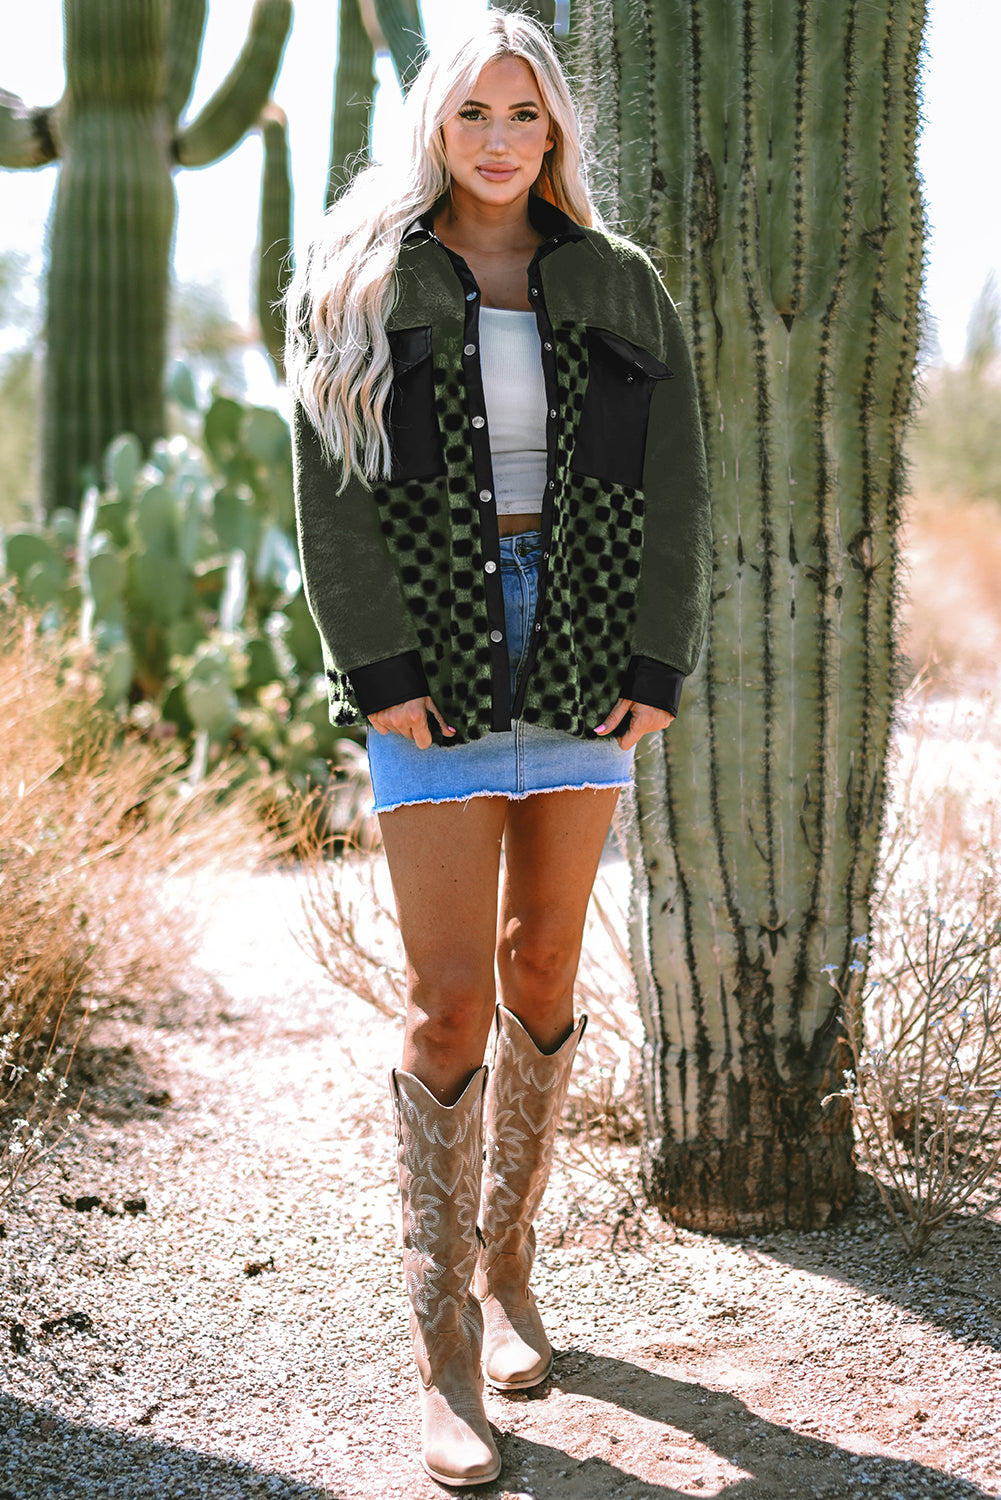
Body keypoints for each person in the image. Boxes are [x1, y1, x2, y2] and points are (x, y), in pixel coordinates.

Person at [285, 12, 710, 1487]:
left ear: (555, 133)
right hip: (437, 653)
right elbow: (328, 489)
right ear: (434, 126)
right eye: (473, 112)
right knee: (449, 998)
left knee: (543, 969)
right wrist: (379, 667)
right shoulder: (363, 279)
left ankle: (508, 1262)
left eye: (524, 114)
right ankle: (442, 1347)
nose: (499, 139)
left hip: (584, 643)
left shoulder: (619, 282)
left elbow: (677, 478)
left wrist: (656, 658)